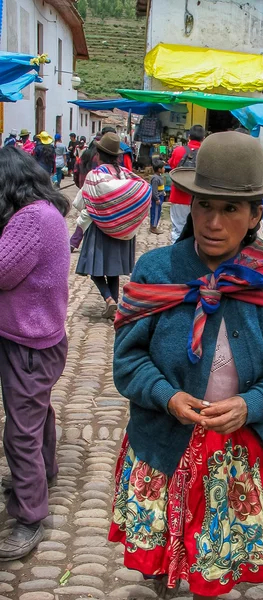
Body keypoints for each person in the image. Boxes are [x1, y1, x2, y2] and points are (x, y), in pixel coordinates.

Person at [109, 131, 263, 597]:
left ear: (256, 214)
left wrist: (251, 403)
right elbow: (129, 359)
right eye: (204, 206)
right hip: (162, 445)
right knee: (158, 561)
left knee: (219, 565)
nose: (213, 222)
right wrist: (169, 396)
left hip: (236, 453)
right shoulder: (156, 272)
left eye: (230, 209)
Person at [0, 146, 70, 560]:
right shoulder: (45, 212)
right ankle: (46, 470)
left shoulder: (31, 218)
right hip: (36, 337)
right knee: (35, 411)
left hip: (29, 341)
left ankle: (29, 516)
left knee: (20, 431)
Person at [75, 133, 148, 318]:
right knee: (113, 270)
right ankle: (114, 304)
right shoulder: (124, 173)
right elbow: (141, 188)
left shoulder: (95, 175)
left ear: (98, 154)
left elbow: (80, 202)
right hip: (120, 228)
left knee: (94, 269)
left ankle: (109, 299)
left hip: (100, 229)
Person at [168, 124, 205, 244]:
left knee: (177, 229)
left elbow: (172, 168)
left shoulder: (178, 151)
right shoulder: (205, 153)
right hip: (199, 197)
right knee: (196, 230)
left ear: (188, 136)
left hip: (178, 196)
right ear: (203, 138)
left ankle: (175, 254)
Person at [150, 159, 165, 234]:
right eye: (163, 168)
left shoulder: (159, 176)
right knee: (155, 212)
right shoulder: (155, 178)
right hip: (157, 198)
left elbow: (160, 187)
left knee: (158, 212)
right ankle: (153, 227)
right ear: (159, 169)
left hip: (160, 196)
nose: (164, 169)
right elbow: (154, 190)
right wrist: (156, 198)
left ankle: (154, 225)